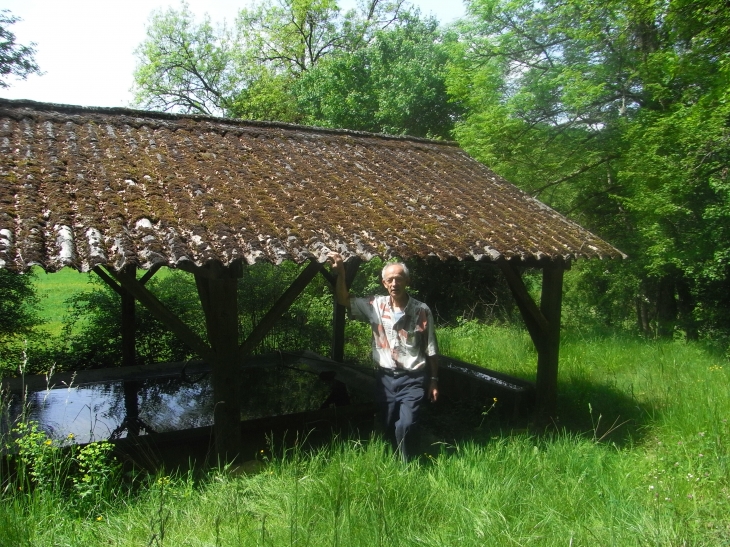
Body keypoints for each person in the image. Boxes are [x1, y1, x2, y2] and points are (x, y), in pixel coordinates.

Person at [328, 252, 438, 461]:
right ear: (384, 283)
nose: (394, 283)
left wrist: (434, 380)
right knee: (388, 423)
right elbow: (343, 299)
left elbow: (431, 347)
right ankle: (395, 457)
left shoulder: (421, 310)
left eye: (399, 278)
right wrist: (341, 273)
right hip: (385, 377)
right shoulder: (375, 306)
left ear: (407, 281)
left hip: (413, 378)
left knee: (406, 423)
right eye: (390, 279)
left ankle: (408, 465)